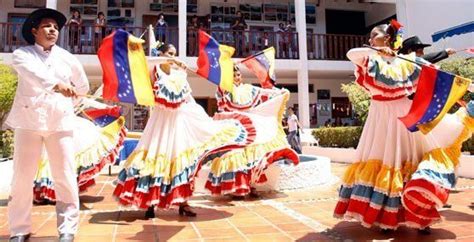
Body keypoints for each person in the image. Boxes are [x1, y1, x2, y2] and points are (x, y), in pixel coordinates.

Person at [333, 21, 473, 234]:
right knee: (387, 161)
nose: (370, 40)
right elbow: (352, 53)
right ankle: (386, 219)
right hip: (380, 120)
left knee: (411, 160)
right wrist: (379, 50)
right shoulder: (369, 60)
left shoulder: (408, 62)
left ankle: (420, 217)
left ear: (387, 38)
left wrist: (469, 86)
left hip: (406, 118)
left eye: (373, 36)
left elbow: (442, 78)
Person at [113, 44, 256, 218]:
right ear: (162, 54)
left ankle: (184, 203)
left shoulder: (180, 75)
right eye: (169, 54)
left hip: (180, 123)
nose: (173, 57)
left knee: (182, 163)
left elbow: (189, 99)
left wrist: (203, 119)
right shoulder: (154, 71)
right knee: (155, 160)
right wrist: (168, 60)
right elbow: (145, 61)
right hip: (160, 124)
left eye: (175, 54)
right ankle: (150, 204)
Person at [5, 8, 89, 242]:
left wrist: (74, 96)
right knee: (22, 177)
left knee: (64, 175)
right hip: (28, 122)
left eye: (55, 27)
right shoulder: (22, 54)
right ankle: (19, 230)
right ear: (34, 31)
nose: (53, 30)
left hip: (60, 122)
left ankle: (67, 230)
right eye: (47, 26)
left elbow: (82, 88)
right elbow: (34, 74)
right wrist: (58, 85)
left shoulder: (68, 57)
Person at [205, 65, 299, 198]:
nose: (237, 78)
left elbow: (265, 92)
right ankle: (237, 188)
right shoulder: (225, 89)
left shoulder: (248, 89)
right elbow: (222, 105)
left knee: (253, 156)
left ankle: (251, 185)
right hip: (234, 127)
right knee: (236, 156)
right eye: (233, 76)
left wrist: (280, 93)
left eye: (238, 75)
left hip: (250, 127)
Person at [33, 101, 126, 204]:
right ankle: (53, 190)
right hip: (59, 126)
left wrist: (106, 107)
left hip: (63, 125)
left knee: (61, 158)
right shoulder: (55, 92)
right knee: (57, 157)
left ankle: (53, 190)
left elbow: (83, 100)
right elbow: (83, 99)